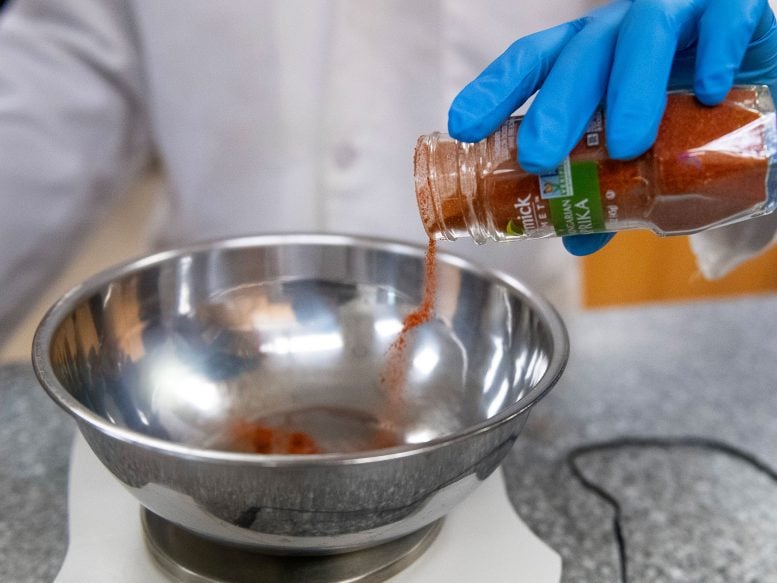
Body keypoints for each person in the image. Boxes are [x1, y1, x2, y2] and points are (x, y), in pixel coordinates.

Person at [0, 0, 775, 348]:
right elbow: (46, 93)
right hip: (213, 338)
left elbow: (713, 36)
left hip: (510, 365)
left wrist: (761, 106)